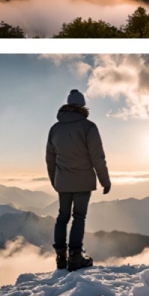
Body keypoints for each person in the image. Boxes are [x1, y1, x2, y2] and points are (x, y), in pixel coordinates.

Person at [46, 89, 111, 271]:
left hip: (62, 182)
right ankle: (75, 257)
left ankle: (60, 257)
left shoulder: (55, 129)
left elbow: (50, 159)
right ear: (83, 106)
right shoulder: (88, 127)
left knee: (62, 217)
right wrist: (105, 181)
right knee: (79, 217)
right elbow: (97, 157)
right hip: (83, 181)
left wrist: (55, 181)